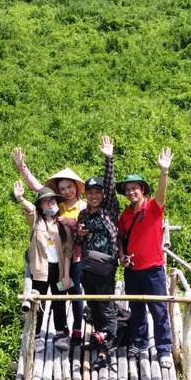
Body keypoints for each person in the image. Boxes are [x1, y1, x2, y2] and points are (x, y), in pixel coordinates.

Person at [13, 147, 87, 342]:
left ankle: (74, 330)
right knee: (51, 295)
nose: (66, 191)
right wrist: (22, 168)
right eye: (62, 189)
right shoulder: (54, 211)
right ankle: (38, 334)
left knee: (72, 292)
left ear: (76, 187)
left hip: (75, 258)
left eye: (69, 187)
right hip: (54, 261)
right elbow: (39, 192)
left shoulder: (84, 206)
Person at [117, 147, 174, 361]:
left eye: (135, 188)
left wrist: (163, 172)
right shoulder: (125, 214)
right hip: (132, 270)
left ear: (142, 190)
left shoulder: (152, 208)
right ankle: (139, 343)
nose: (131, 192)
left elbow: (162, 194)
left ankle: (164, 350)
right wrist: (122, 255)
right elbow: (120, 237)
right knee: (136, 309)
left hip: (153, 270)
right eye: (128, 189)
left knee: (159, 311)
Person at [13, 180, 77, 349]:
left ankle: (61, 333)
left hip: (59, 269)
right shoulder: (36, 221)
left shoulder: (63, 225)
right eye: (45, 201)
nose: (50, 203)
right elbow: (29, 210)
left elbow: (68, 252)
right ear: (40, 205)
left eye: (53, 200)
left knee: (59, 300)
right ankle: (37, 335)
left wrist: (66, 275)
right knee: (38, 301)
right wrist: (21, 198)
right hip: (41, 269)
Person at [76, 135, 122, 366]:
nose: (94, 195)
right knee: (93, 306)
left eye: (97, 192)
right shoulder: (83, 214)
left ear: (102, 195)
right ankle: (98, 336)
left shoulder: (109, 209)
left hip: (105, 267)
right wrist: (79, 234)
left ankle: (106, 348)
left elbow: (111, 183)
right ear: (86, 195)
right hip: (87, 267)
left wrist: (108, 158)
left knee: (106, 306)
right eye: (90, 192)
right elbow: (78, 239)